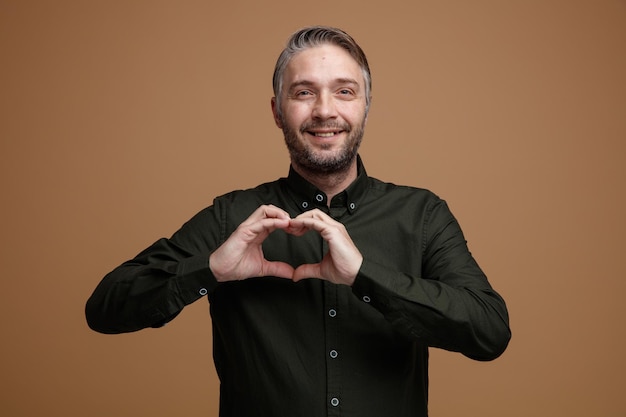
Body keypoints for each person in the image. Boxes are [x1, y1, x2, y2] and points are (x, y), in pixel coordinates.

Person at [86, 25, 511, 417]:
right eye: (304, 93)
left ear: (366, 105)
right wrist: (211, 268)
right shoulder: (231, 218)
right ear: (277, 110)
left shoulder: (422, 215)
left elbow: (489, 331)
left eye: (344, 92)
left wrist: (365, 277)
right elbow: (105, 308)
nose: (325, 111)